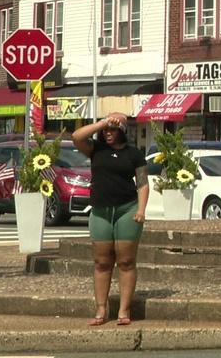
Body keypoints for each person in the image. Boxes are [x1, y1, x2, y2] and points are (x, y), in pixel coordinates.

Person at [72, 112, 149, 326]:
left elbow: (142, 183)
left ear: (123, 131)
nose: (108, 133)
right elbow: (77, 137)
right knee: (102, 262)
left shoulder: (134, 154)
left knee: (125, 261)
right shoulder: (96, 150)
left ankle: (124, 310)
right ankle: (101, 310)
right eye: (106, 130)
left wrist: (141, 210)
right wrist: (103, 122)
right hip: (100, 211)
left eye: (113, 129)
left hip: (127, 209)